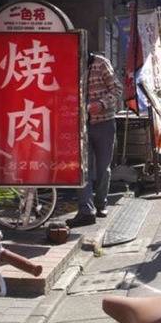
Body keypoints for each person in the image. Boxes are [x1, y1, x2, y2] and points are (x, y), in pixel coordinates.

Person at [66, 53, 123, 228]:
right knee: (83, 167)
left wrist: (101, 104)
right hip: (80, 124)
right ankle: (86, 210)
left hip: (104, 122)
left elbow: (117, 90)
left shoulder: (101, 63)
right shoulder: (69, 63)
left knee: (103, 167)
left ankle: (101, 202)